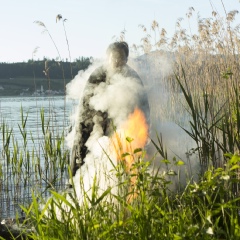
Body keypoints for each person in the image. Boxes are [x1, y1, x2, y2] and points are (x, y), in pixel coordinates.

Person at [70, 41, 150, 177]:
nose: (117, 61)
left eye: (121, 58)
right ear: (108, 57)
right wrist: (81, 134)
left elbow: (144, 107)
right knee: (80, 154)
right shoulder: (97, 75)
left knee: (122, 159)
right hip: (93, 122)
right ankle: (74, 186)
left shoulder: (132, 76)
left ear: (126, 59)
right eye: (114, 57)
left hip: (119, 125)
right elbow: (84, 107)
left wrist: (146, 130)